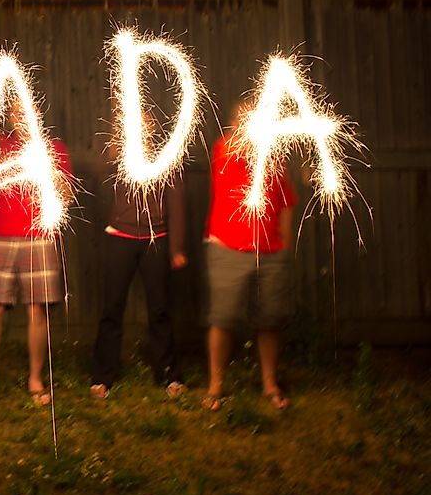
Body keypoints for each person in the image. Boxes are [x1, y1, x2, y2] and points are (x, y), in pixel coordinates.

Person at [0, 101, 74, 408]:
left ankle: (35, 380)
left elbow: (66, 196)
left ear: (37, 113)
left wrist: (49, 171)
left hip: (39, 237)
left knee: (36, 309)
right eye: (15, 112)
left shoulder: (54, 148)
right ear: (10, 118)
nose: (21, 117)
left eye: (25, 111)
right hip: (0, 235)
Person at [202, 104, 295, 411]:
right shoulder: (225, 148)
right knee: (223, 318)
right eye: (245, 118)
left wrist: (284, 243)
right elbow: (234, 151)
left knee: (269, 321)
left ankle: (270, 383)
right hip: (228, 247)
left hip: (270, 252)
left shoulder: (275, 157)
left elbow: (286, 200)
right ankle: (216, 385)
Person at [89, 131, 188, 400]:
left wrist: (177, 247)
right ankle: (102, 376)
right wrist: (111, 151)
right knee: (112, 308)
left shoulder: (166, 156)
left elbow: (176, 200)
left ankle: (169, 374)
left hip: (156, 239)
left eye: (146, 124)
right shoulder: (118, 153)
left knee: (160, 309)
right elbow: (98, 174)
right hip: (120, 237)